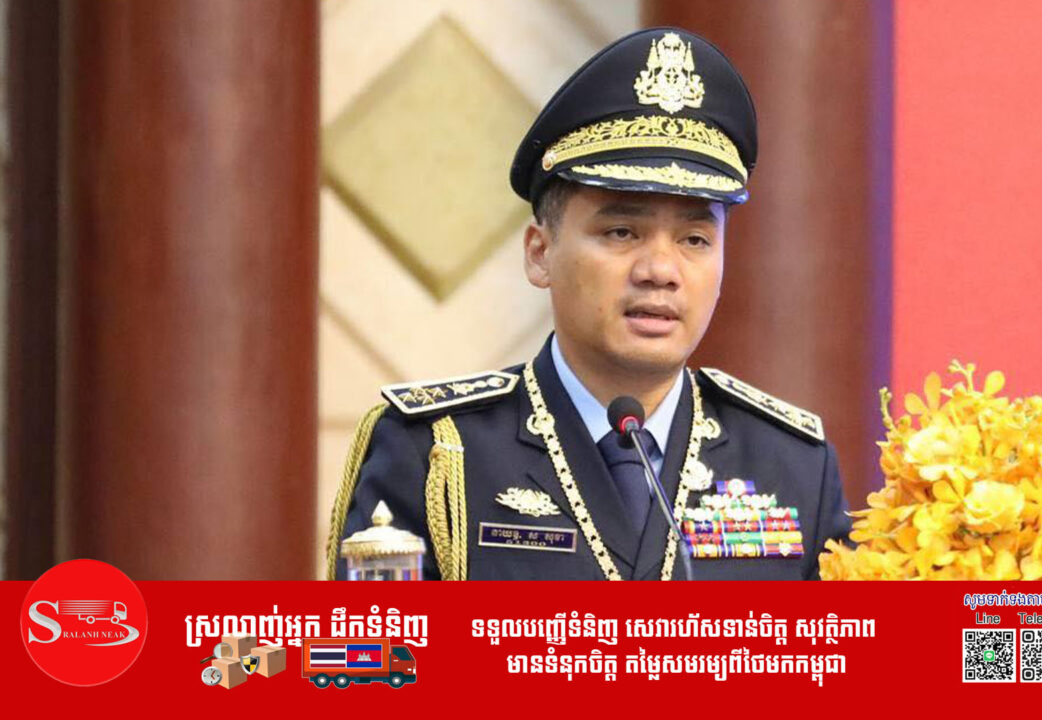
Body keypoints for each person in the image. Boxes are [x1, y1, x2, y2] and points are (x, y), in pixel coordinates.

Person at [328, 27, 848, 580]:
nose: (660, 271)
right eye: (622, 232)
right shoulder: (437, 452)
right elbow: (381, 641)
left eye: (695, 240)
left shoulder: (791, 464)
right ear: (540, 253)